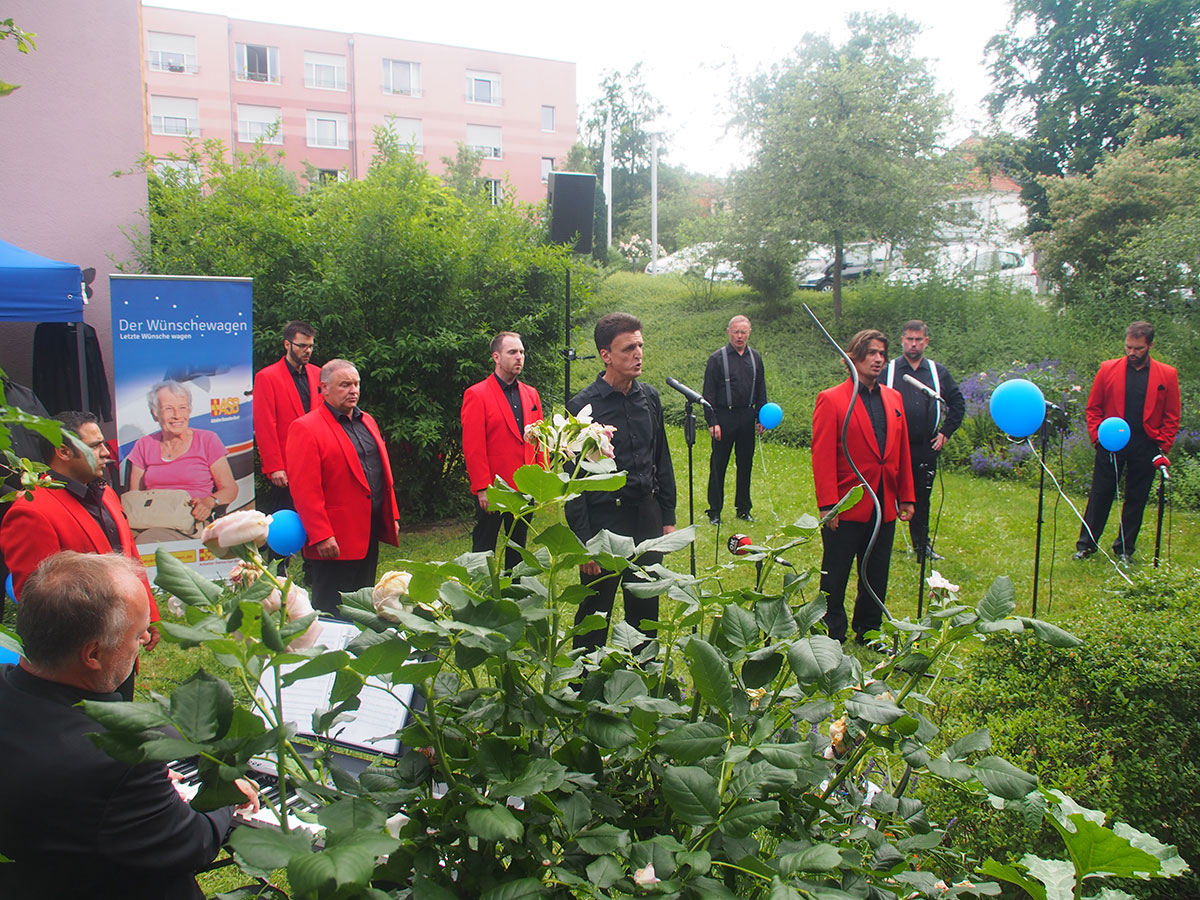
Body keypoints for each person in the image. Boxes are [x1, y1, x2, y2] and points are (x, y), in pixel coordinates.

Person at [0, 551, 258, 900]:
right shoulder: (120, 759)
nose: (143, 644)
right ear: (93, 655)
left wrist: (142, 797)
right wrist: (226, 797)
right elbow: (192, 842)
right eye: (138, 635)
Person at [1, 411, 161, 698]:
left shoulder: (106, 494)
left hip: (119, 648)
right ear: (63, 451)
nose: (106, 452)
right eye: (95, 445)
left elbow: (129, 558)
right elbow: (41, 600)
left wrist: (149, 615)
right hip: (80, 666)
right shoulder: (31, 509)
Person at [566, 313, 677, 651]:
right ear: (606, 355)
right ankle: (583, 684)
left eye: (640, 345)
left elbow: (662, 458)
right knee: (595, 611)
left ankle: (642, 676)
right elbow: (573, 482)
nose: (638, 353)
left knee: (645, 607)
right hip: (604, 524)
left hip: (646, 518)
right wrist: (584, 540)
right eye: (629, 348)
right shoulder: (582, 406)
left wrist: (667, 518)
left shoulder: (650, 398)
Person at [812, 329, 915, 644]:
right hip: (846, 505)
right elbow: (822, 454)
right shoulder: (831, 399)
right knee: (836, 574)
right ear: (852, 359)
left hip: (883, 505)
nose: (879, 359)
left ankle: (869, 630)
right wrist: (829, 505)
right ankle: (832, 632)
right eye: (871, 353)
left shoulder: (893, 398)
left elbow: (902, 451)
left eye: (882, 354)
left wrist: (907, 496)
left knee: (877, 574)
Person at [287, 360, 400, 614]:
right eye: (345, 385)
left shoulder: (367, 420)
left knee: (362, 604)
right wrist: (321, 535)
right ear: (324, 388)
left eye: (356, 384)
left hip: (368, 531)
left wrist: (391, 515)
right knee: (332, 607)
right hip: (334, 538)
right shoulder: (306, 428)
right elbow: (305, 489)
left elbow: (382, 473)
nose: (353, 390)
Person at [1075, 321, 1179, 562]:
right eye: (1128, 347)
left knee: (1137, 497)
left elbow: (1172, 415)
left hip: (1146, 444)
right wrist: (1097, 439)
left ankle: (1124, 549)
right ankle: (1086, 546)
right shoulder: (1108, 369)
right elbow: (1093, 408)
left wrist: (1162, 445)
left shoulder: (1167, 375)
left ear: (1150, 345)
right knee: (1100, 494)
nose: (1132, 353)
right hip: (1111, 443)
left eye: (1138, 348)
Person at [461, 331, 544, 568]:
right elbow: (473, 446)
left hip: (526, 485)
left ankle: (515, 592)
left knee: (518, 546)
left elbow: (540, 440)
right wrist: (482, 488)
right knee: (484, 546)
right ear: (496, 357)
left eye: (521, 352)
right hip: (494, 488)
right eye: (512, 352)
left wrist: (541, 480)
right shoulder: (476, 394)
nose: (519, 357)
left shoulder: (531, 394)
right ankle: (479, 591)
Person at [883, 320, 965, 561]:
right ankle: (879, 541)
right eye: (909, 339)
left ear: (926, 342)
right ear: (902, 340)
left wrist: (945, 432)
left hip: (925, 446)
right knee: (885, 492)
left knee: (921, 497)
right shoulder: (889, 370)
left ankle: (922, 546)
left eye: (918, 339)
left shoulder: (938, 372)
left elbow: (958, 403)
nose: (913, 344)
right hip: (894, 445)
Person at [127, 379, 238, 531]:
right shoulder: (144, 445)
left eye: (182, 407)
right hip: (150, 519)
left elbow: (230, 488)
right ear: (155, 414)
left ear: (189, 410)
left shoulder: (207, 440)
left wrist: (209, 502)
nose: (177, 415)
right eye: (168, 409)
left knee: (148, 541)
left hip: (190, 519)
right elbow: (135, 497)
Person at [254, 321, 321, 574]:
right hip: (286, 465)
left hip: (316, 461)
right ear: (287, 344)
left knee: (316, 517)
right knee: (285, 519)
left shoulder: (318, 374)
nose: (307, 351)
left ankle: (314, 571)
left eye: (310, 346)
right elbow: (264, 425)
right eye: (302, 345)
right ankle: (278, 572)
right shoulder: (267, 377)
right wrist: (274, 467)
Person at [702, 315, 767, 525]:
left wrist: (761, 417)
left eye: (744, 332)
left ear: (749, 333)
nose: (740, 336)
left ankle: (743, 509)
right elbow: (708, 394)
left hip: (747, 417)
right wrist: (712, 422)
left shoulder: (755, 358)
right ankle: (714, 511)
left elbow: (761, 390)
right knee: (718, 465)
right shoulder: (717, 359)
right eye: (736, 332)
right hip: (724, 417)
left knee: (745, 465)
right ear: (729, 332)